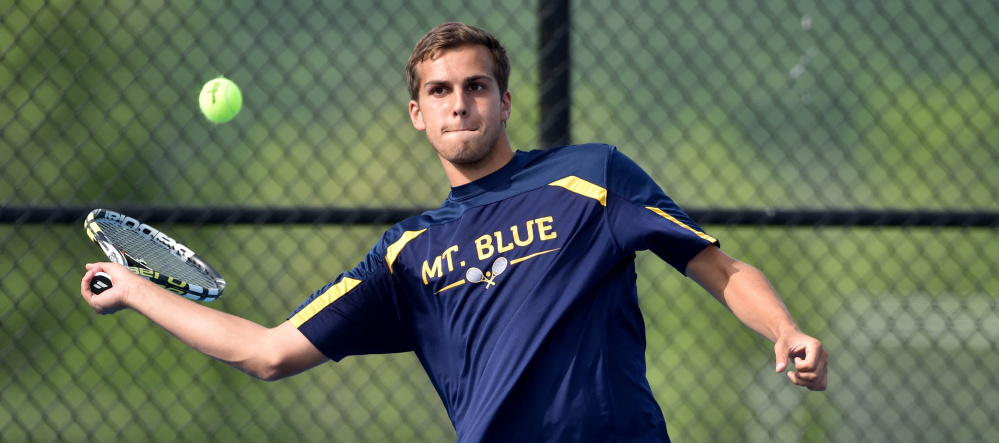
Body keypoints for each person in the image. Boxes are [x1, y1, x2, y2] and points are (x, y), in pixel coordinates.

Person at [81, 22, 828, 442]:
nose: (459, 103)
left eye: (475, 87)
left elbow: (715, 264)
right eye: (439, 91)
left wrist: (783, 327)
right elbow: (267, 350)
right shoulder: (406, 254)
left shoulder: (591, 177)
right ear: (418, 114)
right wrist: (136, 290)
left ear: (504, 101)